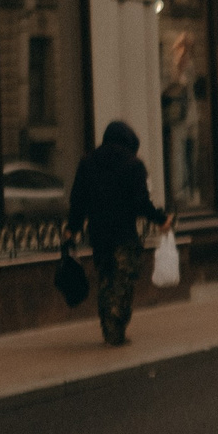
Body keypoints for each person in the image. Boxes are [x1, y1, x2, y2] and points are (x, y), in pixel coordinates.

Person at [67, 121, 167, 347]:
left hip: (99, 234)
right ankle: (115, 331)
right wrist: (160, 219)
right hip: (124, 234)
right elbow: (141, 202)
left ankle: (108, 327)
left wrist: (72, 228)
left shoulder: (88, 162)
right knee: (122, 282)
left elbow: (78, 200)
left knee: (106, 279)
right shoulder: (133, 165)